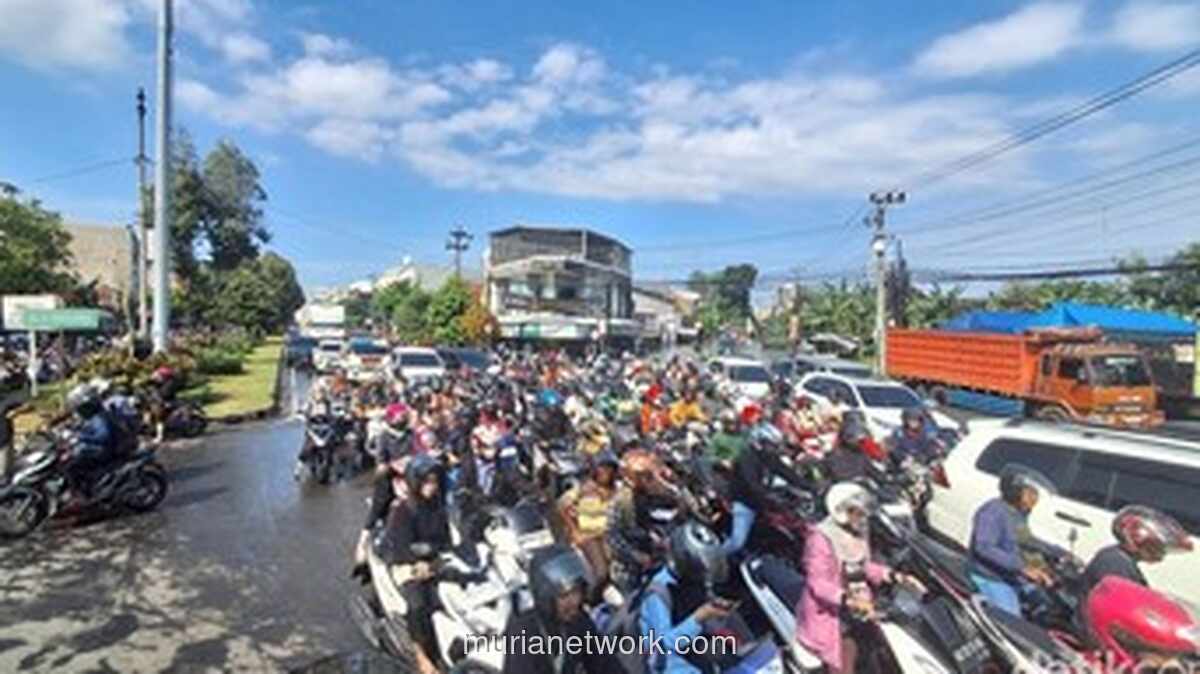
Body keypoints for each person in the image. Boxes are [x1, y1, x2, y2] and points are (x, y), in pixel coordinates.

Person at [796, 483, 922, 674]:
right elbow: (818, 584)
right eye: (857, 511)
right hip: (831, 613)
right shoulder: (820, 539)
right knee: (847, 657)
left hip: (862, 604)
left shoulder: (858, 531)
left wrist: (896, 576)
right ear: (840, 510)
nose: (862, 516)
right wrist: (848, 600)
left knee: (882, 649)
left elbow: (864, 566)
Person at [500, 544, 620, 674]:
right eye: (564, 596)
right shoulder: (524, 630)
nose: (574, 601)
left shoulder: (578, 620)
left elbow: (605, 664)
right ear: (545, 597)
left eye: (577, 592)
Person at [382, 453, 450, 674]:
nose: (432, 486)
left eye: (435, 481)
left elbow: (445, 538)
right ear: (415, 482)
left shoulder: (437, 507)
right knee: (418, 604)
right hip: (409, 566)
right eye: (427, 481)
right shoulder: (402, 511)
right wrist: (424, 558)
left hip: (434, 562)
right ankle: (421, 655)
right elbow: (401, 548)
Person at [638, 522, 736, 674]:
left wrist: (717, 614)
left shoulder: (692, 582)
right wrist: (698, 618)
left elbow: (705, 626)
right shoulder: (658, 593)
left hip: (697, 655)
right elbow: (663, 646)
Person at [967, 470, 1057, 617]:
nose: (1035, 498)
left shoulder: (1017, 513)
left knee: (1045, 604)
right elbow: (984, 547)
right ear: (1014, 493)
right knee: (1012, 622)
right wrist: (1022, 568)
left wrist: (1057, 553)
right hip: (991, 577)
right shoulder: (993, 512)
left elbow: (1026, 540)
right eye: (1030, 493)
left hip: (1012, 575)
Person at [721, 422, 812, 555]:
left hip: (761, 503)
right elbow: (752, 484)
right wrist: (771, 497)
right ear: (760, 443)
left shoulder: (769, 457)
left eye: (774, 446)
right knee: (737, 542)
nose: (773, 449)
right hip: (744, 502)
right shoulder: (746, 457)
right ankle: (714, 558)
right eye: (770, 445)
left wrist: (809, 487)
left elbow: (787, 473)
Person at [607, 450, 682, 592]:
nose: (649, 480)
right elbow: (612, 536)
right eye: (645, 476)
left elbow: (674, 497)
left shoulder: (648, 494)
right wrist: (635, 555)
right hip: (629, 567)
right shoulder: (621, 501)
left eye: (649, 476)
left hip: (655, 556)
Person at [1080, 506, 1191, 599]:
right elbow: (1124, 602)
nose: (1160, 553)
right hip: (1091, 623)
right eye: (1156, 547)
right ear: (1137, 540)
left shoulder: (1121, 560)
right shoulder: (1115, 564)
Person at [557, 450, 620, 597]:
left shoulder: (617, 489)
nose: (606, 472)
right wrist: (574, 531)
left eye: (610, 468)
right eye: (602, 467)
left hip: (609, 534)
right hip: (589, 536)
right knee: (602, 574)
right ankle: (589, 600)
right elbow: (562, 506)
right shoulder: (584, 489)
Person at [63, 383, 116, 499]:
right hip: (97, 447)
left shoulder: (99, 418)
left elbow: (103, 436)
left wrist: (79, 436)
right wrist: (72, 428)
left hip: (103, 450)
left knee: (71, 466)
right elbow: (84, 427)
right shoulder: (94, 416)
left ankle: (81, 495)